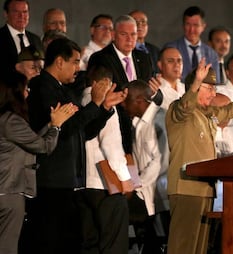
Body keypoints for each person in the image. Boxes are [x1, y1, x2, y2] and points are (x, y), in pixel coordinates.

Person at [26, 37, 127, 254]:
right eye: (75, 61)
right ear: (59, 62)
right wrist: (94, 104)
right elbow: (64, 130)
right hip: (51, 180)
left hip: (69, 180)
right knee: (51, 242)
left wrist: (103, 108)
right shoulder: (43, 88)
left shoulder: (64, 90)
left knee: (71, 241)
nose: (78, 68)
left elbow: (84, 131)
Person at [165, 58, 233, 254]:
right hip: (186, 187)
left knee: (199, 247)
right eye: (209, 88)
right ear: (195, 87)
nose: (214, 94)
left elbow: (230, 110)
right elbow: (185, 107)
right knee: (182, 245)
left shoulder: (209, 113)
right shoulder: (179, 110)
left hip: (205, 189)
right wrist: (197, 81)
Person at [0, 71, 77, 254]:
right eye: (25, 89)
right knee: (7, 247)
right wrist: (57, 126)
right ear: (15, 92)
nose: (28, 93)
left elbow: (31, 141)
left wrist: (51, 125)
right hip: (10, 192)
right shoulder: (11, 121)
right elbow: (44, 147)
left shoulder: (5, 120)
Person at [79, 65, 133, 253]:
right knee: (113, 244)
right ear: (99, 83)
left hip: (83, 183)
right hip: (105, 184)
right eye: (108, 85)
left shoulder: (79, 100)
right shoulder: (103, 104)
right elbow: (111, 144)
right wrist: (125, 178)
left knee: (90, 243)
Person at [87, 14, 154, 155]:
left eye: (133, 34)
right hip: (116, 125)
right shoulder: (100, 58)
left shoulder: (144, 58)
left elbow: (149, 90)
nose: (130, 39)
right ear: (113, 34)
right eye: (124, 34)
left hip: (143, 129)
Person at [121, 79, 165, 253]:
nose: (123, 105)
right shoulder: (136, 123)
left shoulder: (160, 119)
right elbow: (135, 159)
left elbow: (161, 160)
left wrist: (137, 184)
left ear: (139, 101)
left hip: (159, 198)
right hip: (144, 197)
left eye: (126, 101)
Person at [164, 6, 220, 83]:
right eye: (188, 24)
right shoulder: (171, 49)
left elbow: (215, 83)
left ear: (203, 26)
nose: (191, 29)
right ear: (183, 25)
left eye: (196, 25)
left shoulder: (212, 54)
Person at [0, 0, 42, 75]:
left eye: (25, 12)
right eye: (16, 12)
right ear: (6, 14)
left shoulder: (36, 39)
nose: (21, 16)